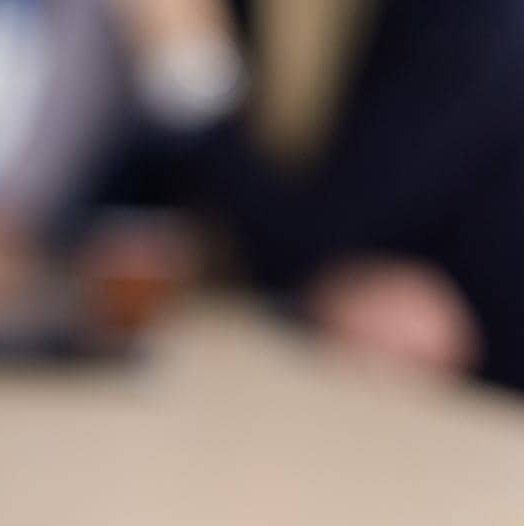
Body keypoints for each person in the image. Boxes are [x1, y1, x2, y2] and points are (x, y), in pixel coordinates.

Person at [106, 0, 524, 387]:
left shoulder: (469, 15)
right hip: (271, 354)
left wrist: (189, 65)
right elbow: (145, 197)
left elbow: (316, 238)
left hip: (474, 386)